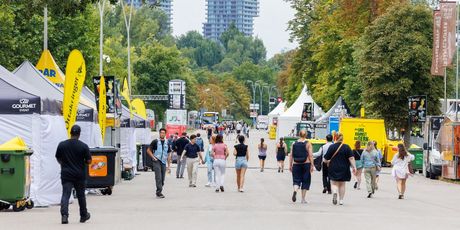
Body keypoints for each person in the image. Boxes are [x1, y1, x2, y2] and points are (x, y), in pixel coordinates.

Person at [55, 125, 91, 224]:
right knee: (81, 196)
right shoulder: (83, 146)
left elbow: (58, 157)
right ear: (79, 134)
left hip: (66, 174)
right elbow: (89, 161)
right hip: (80, 175)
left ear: (70, 133)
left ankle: (64, 216)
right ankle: (83, 216)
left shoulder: (62, 145)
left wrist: (63, 164)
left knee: (66, 194)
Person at [323, 133, 357, 205]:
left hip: (333, 167)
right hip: (344, 168)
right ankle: (341, 200)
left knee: (333, 183)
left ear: (335, 138)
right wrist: (354, 167)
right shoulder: (347, 147)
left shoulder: (332, 147)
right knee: (342, 184)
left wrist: (328, 161)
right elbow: (351, 158)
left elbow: (325, 159)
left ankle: (335, 192)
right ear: (342, 139)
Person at [289, 130, 314, 204]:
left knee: (296, 180)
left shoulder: (294, 143)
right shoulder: (308, 143)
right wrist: (312, 165)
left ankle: (295, 190)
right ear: (306, 135)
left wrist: (290, 165)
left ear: (299, 135)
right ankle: (303, 199)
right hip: (306, 164)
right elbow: (310, 155)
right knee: (305, 181)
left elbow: (291, 155)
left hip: (296, 164)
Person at [147, 128, 172, 198]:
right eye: (161, 133)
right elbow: (148, 150)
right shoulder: (155, 141)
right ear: (159, 133)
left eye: (163, 133)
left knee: (163, 178)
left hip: (163, 162)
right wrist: (153, 157)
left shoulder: (167, 142)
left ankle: (159, 189)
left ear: (165, 134)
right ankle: (159, 192)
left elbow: (169, 154)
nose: (162, 134)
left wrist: (169, 165)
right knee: (158, 177)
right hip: (156, 161)